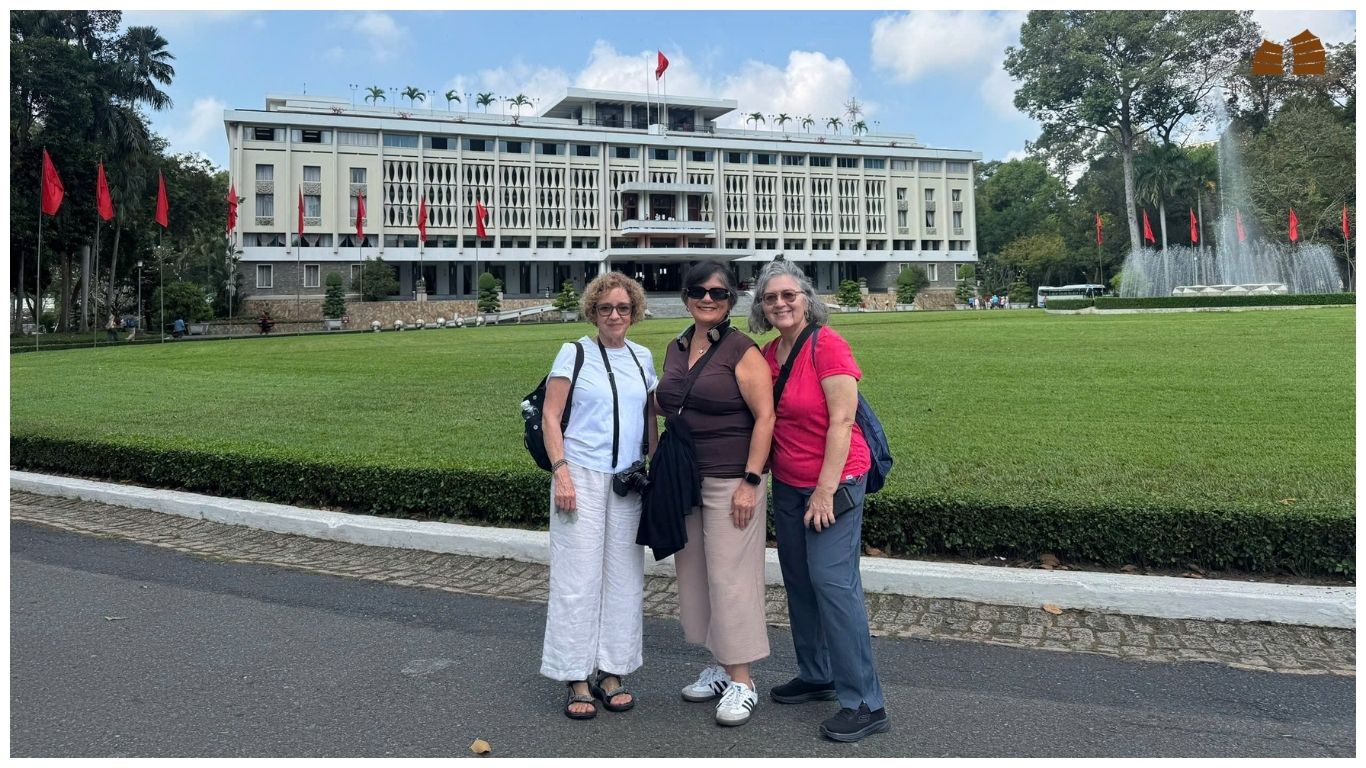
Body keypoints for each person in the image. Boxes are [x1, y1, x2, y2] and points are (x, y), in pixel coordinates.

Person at [748, 259, 890, 743]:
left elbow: (842, 421)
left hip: (835, 484)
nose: (781, 304)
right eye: (771, 298)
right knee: (800, 582)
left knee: (833, 584)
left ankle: (865, 702)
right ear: (762, 308)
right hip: (789, 484)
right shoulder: (770, 355)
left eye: (789, 295)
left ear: (807, 299)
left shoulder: (827, 345)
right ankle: (818, 674)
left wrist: (826, 489)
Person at [656, 261, 774, 727]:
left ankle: (743, 680)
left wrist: (751, 479)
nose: (708, 298)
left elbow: (765, 417)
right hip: (685, 479)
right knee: (697, 577)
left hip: (731, 480)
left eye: (718, 293)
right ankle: (721, 666)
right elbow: (664, 400)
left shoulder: (742, 350)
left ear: (731, 300)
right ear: (686, 296)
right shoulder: (676, 345)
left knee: (731, 578)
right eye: (699, 291)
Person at [540, 272, 657, 720]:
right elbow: (552, 417)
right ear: (593, 310)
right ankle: (574, 675)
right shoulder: (574, 353)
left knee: (624, 576)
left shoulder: (642, 357)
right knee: (577, 577)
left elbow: (649, 420)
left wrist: (656, 468)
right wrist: (561, 473)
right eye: (606, 307)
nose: (614, 315)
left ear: (634, 312)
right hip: (581, 476)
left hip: (627, 480)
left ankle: (612, 670)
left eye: (623, 308)